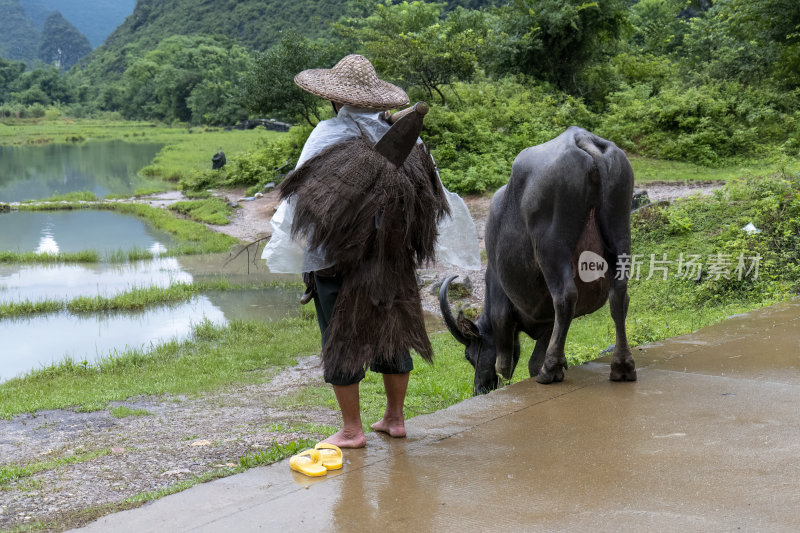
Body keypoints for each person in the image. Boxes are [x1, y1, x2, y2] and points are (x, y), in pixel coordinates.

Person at [263, 55, 480, 448]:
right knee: (394, 332)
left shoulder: (327, 134)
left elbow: (297, 206)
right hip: (393, 260)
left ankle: (351, 431)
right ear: (379, 100)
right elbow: (434, 201)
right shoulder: (410, 141)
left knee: (341, 338)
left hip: (335, 262)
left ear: (334, 99)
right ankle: (395, 419)